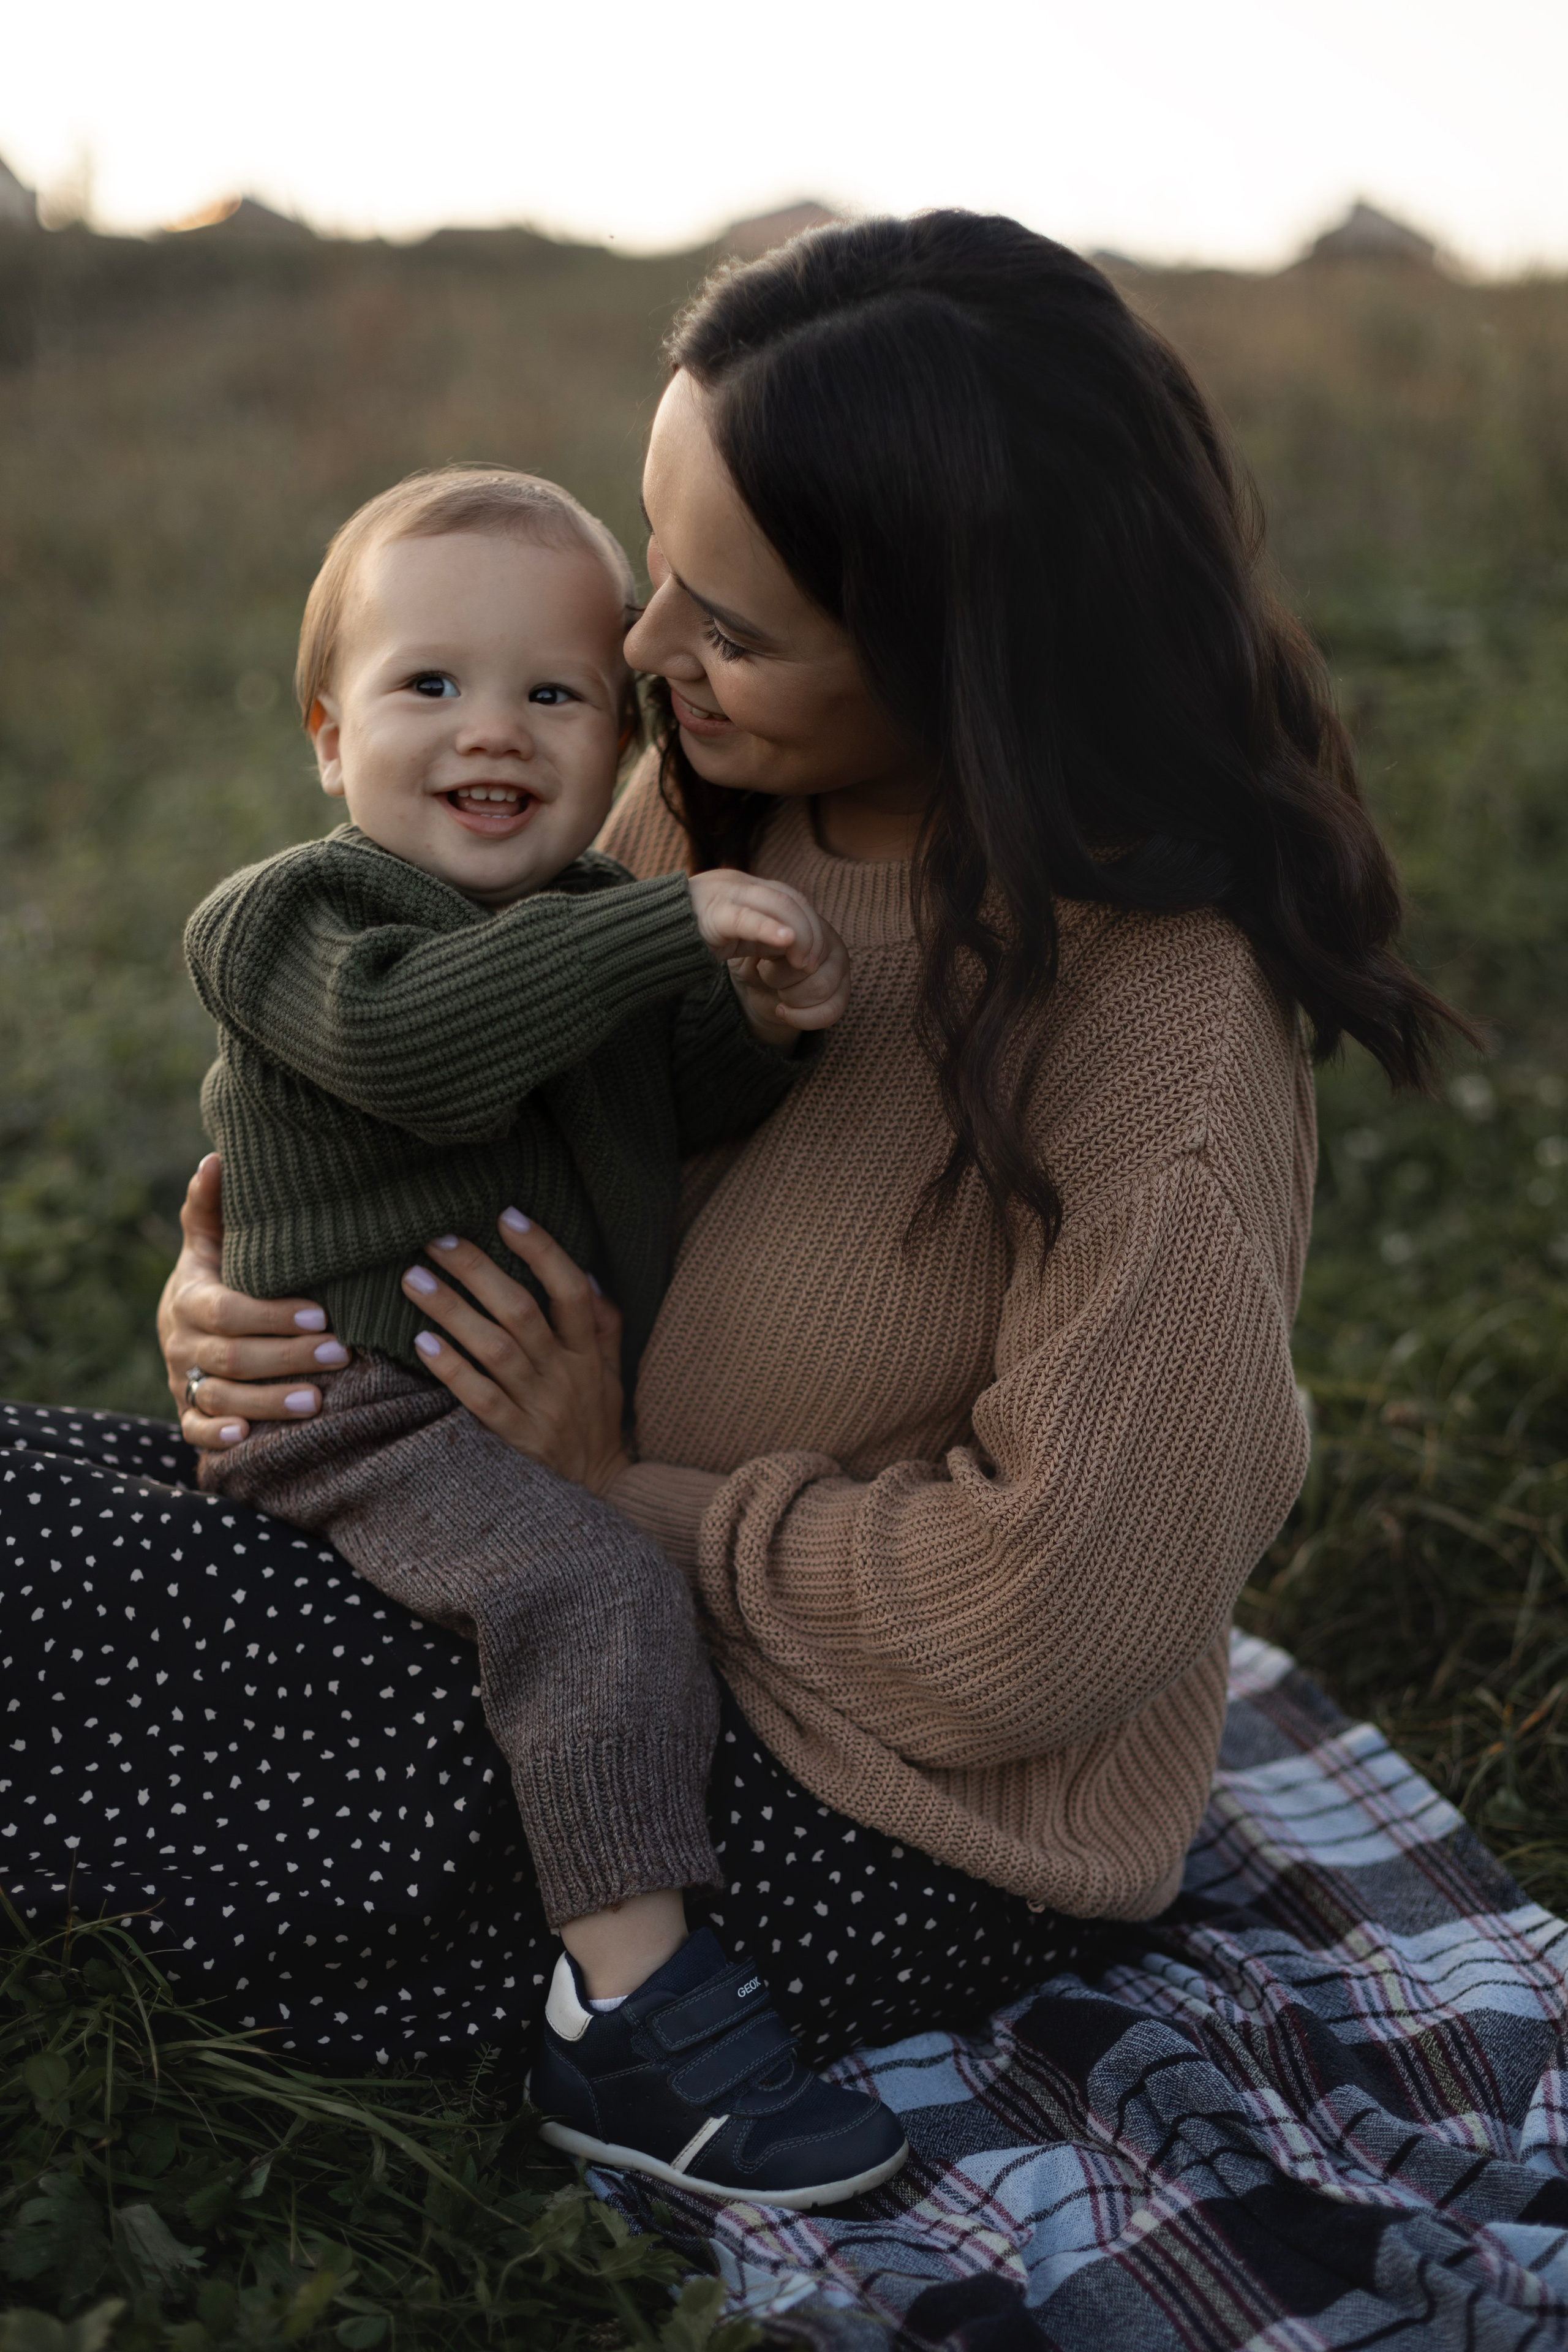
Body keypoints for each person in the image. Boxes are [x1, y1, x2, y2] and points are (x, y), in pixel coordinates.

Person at [4, 213, 1472, 2190]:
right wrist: (246, 1312)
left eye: (736, 624)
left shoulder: (1163, 1027)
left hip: (848, 1809)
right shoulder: (710, 803)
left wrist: (625, 1494)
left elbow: (1048, 1621)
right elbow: (449, 1095)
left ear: (963, 649)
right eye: (657, 562)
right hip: (539, 1574)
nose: (636, 653)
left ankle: (645, 2036)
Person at [174, 462, 905, 2207]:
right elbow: (421, 1049)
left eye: (555, 695)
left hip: (468, 1422)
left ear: (620, 742)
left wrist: (766, 1027)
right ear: (330, 736)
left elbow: (663, 1106)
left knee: (581, 1590)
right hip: (349, 1411)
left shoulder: (587, 931)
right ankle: (628, 2018)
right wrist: (670, 922)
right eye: (429, 683)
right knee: (593, 1589)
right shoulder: (295, 921)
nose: (492, 729)